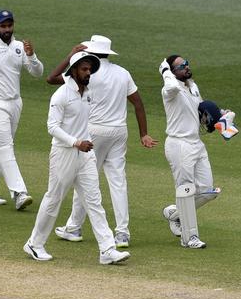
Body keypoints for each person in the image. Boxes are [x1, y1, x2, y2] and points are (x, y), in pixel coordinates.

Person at [45, 35, 158, 248]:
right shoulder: (123, 73)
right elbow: (138, 104)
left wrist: (70, 55)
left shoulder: (87, 73)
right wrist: (144, 133)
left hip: (93, 132)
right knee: (118, 181)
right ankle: (122, 233)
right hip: (119, 132)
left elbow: (52, 78)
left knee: (85, 180)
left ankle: (74, 228)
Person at [24, 52, 130, 265]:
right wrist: (75, 142)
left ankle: (107, 249)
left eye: (90, 69)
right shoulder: (61, 95)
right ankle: (34, 244)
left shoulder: (88, 93)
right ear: (73, 71)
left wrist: (85, 143)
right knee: (54, 199)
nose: (88, 73)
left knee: (94, 200)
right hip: (63, 153)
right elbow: (52, 127)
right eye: (84, 69)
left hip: (85, 155)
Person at [0, 9, 44, 210]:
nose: (7, 29)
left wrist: (31, 56)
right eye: (3, 26)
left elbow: (37, 72)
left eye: (9, 25)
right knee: (6, 146)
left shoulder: (20, 47)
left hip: (15, 103)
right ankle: (19, 193)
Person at [158, 55, 223, 249]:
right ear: (171, 71)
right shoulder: (170, 90)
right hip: (179, 144)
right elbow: (171, 87)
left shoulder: (193, 87)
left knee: (207, 191)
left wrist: (220, 117)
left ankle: (174, 213)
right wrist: (164, 72)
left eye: (187, 64)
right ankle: (189, 238)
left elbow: (201, 114)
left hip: (196, 143)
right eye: (181, 66)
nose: (187, 67)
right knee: (186, 190)